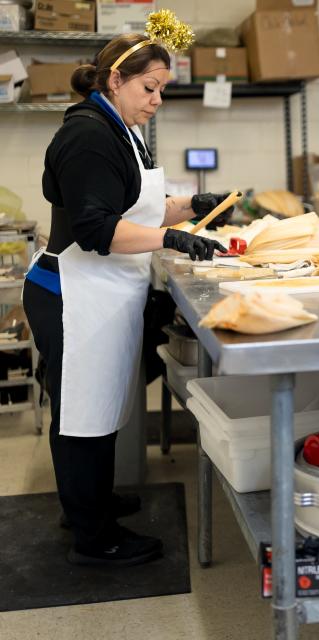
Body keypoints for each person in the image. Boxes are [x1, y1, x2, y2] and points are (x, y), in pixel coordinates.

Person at [22, 17, 230, 567]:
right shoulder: (87, 135)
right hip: (72, 293)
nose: (157, 99)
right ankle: (93, 536)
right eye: (149, 87)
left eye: (161, 89)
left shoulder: (119, 130)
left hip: (100, 292)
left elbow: (131, 208)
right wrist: (173, 238)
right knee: (81, 413)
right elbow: (96, 230)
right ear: (114, 80)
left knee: (101, 405)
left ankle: (93, 501)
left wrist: (191, 207)